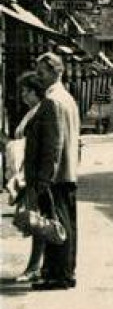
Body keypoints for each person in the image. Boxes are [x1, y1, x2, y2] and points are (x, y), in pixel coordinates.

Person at [27, 52, 80, 290]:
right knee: (65, 223)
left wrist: (44, 179)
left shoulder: (52, 101)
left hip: (55, 175)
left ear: (55, 72)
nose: (38, 77)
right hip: (67, 172)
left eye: (41, 73)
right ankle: (63, 272)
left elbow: (53, 144)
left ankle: (58, 275)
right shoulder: (67, 98)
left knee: (55, 225)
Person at [4, 73, 47, 283]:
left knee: (37, 220)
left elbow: (29, 144)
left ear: (35, 92)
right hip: (26, 172)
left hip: (32, 173)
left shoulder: (39, 112)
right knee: (34, 220)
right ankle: (35, 265)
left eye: (25, 91)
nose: (22, 95)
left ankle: (34, 267)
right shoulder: (31, 112)